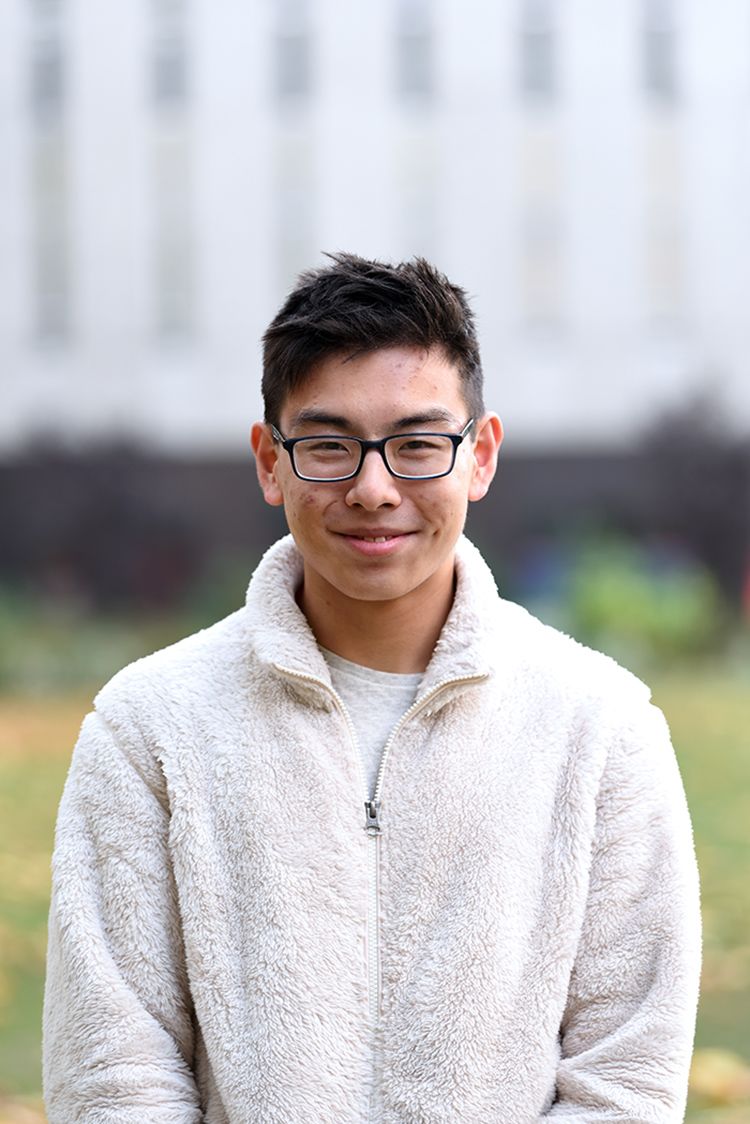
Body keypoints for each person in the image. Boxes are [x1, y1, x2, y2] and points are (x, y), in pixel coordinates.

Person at [43, 253, 701, 1123]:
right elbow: (113, 1078)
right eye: (328, 446)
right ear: (270, 462)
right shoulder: (149, 727)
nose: (374, 489)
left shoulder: (600, 725)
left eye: (418, 444)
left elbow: (626, 1081)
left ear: (480, 456)